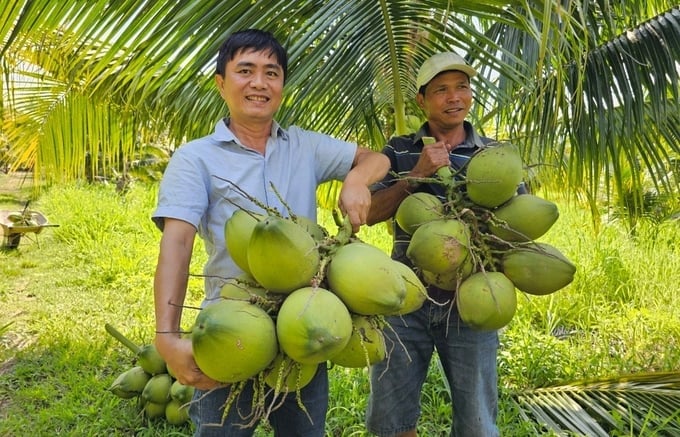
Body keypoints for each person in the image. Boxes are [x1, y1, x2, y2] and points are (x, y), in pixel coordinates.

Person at [151, 28, 390, 437]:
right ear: (221, 83)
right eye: (245, 70)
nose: (259, 83)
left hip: (304, 323)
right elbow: (177, 244)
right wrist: (167, 337)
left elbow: (376, 158)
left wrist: (356, 181)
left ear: (282, 85)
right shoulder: (195, 159)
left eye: (271, 72)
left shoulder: (304, 146)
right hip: (232, 327)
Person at [365, 52, 524, 437]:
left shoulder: (494, 154)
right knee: (391, 419)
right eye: (441, 90)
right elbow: (369, 213)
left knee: (477, 424)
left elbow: (518, 227)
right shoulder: (399, 150)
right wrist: (415, 176)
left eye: (462, 88)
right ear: (422, 100)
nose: (454, 97)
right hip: (404, 300)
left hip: (472, 299)